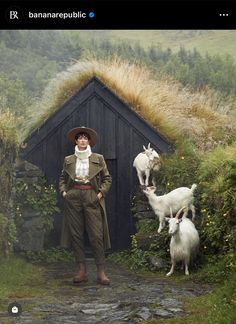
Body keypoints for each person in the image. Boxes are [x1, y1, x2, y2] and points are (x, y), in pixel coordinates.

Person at [59, 126, 112, 285]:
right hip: (73, 196)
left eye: (85, 138)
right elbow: (62, 178)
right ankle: (81, 270)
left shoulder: (98, 158)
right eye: (79, 138)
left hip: (91, 195)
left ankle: (101, 271)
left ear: (89, 141)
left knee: (96, 235)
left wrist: (100, 194)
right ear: (76, 141)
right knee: (76, 235)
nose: (82, 140)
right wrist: (64, 193)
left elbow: (107, 178)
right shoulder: (69, 159)